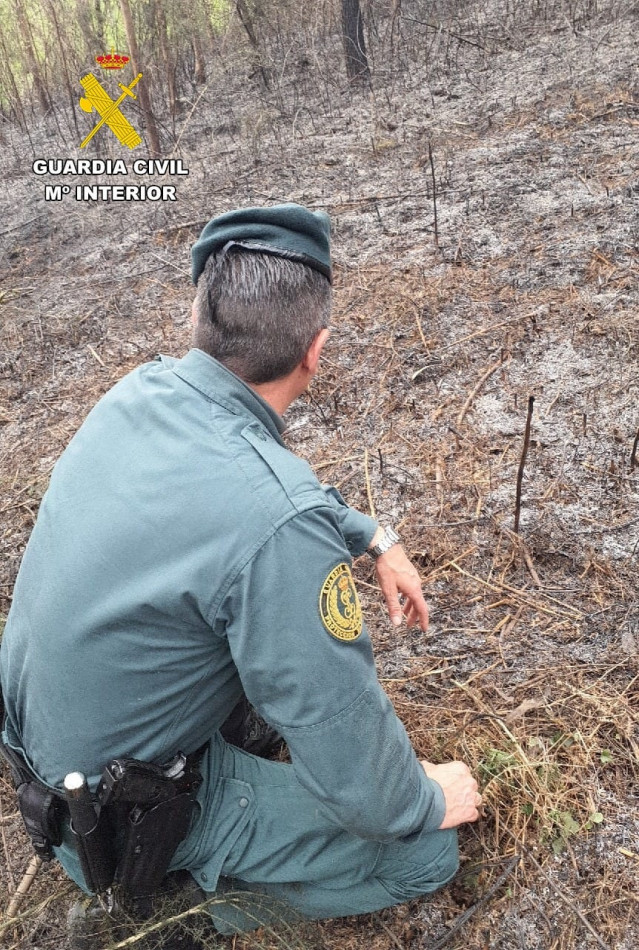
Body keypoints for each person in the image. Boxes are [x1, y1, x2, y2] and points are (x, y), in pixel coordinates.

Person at [0, 203, 480, 936]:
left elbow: (257, 500)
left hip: (48, 765)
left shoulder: (140, 395)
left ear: (199, 316)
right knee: (422, 856)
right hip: (123, 820)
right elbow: (355, 768)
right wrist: (421, 799)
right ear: (315, 350)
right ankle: (185, 906)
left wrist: (371, 535)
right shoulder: (277, 526)